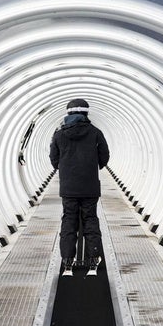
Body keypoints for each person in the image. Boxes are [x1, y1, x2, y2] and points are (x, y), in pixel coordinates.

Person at [49, 98, 110, 276]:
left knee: (69, 221)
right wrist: (93, 166)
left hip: (68, 187)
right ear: (86, 113)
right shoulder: (95, 132)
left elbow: (54, 160)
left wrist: (65, 169)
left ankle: (67, 260)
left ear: (68, 114)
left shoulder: (59, 135)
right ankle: (94, 258)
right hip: (90, 186)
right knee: (90, 219)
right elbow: (105, 156)